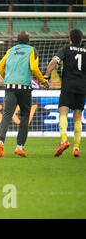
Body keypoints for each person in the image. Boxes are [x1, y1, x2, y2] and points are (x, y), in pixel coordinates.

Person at [0, 31, 49, 158]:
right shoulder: (32, 50)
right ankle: (19, 147)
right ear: (28, 40)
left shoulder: (10, 50)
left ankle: (0, 140)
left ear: (17, 40)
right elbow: (34, 68)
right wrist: (42, 81)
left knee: (7, 115)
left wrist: (6, 77)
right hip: (24, 88)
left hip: (10, 87)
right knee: (25, 115)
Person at [45, 29, 86, 157]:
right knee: (78, 115)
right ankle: (76, 148)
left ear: (70, 38)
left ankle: (63, 140)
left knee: (63, 111)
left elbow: (53, 62)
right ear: (81, 39)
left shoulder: (66, 49)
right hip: (82, 87)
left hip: (68, 85)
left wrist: (46, 76)